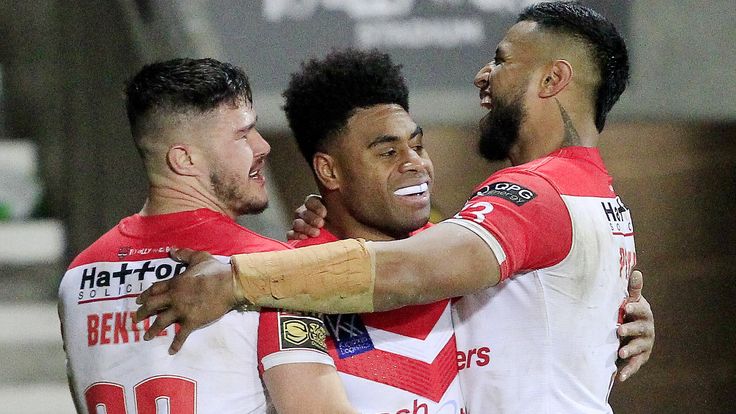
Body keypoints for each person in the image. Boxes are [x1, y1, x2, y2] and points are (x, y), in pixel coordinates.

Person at [136, 2, 654, 412]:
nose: (482, 75)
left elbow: (404, 270)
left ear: (552, 80)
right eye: (386, 151)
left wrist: (235, 278)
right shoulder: (594, 195)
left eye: (500, 60)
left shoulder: (538, 194)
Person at [58, 58, 355, 413]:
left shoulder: (77, 277)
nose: (263, 146)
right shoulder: (269, 268)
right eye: (242, 134)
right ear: (184, 160)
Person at [257, 48, 465, 413]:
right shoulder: (288, 283)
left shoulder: (461, 257)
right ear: (330, 171)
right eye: (388, 153)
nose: (416, 163)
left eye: (417, 146)